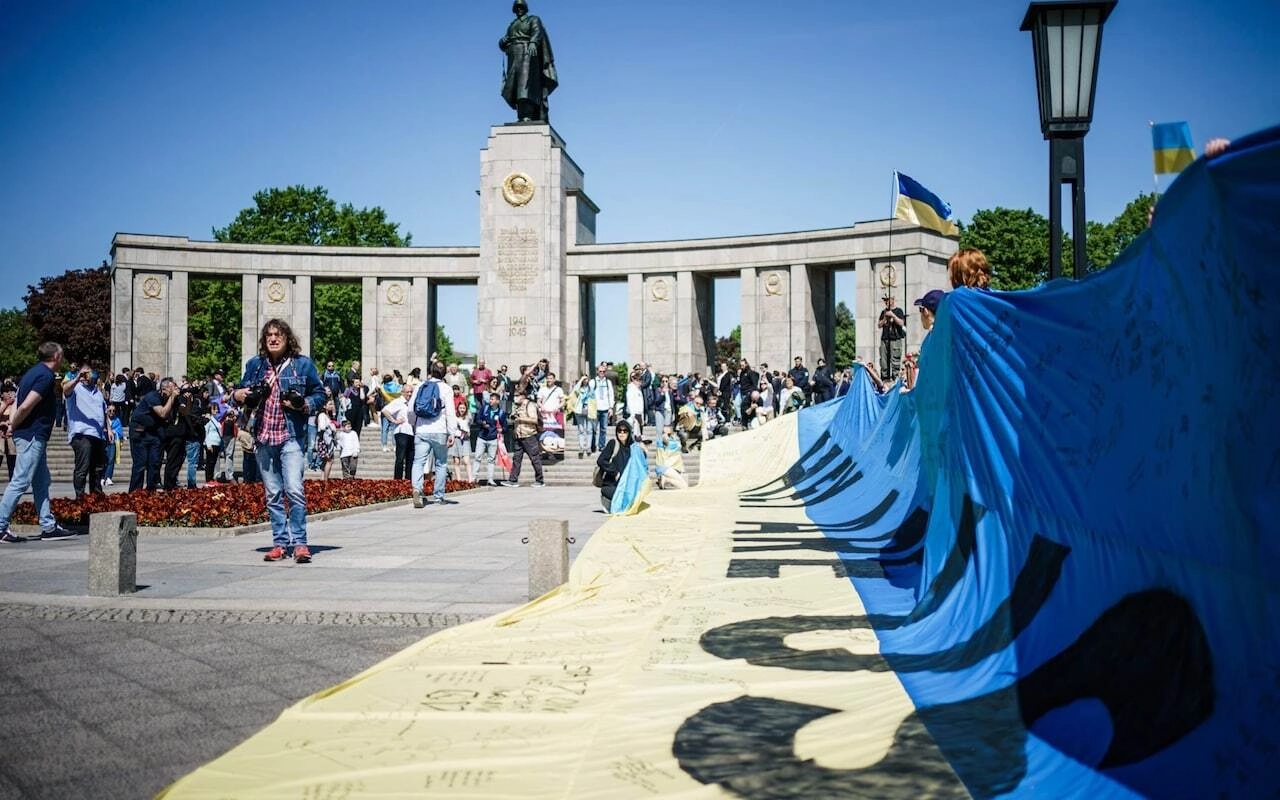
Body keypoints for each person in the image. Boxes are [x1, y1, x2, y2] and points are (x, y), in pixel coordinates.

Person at [232, 318, 326, 564]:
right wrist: (238, 394)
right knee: (273, 493)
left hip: (290, 436)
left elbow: (320, 394)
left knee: (294, 489)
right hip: (263, 436)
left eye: (278, 335)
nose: (273, 339)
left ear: (287, 338)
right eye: (269, 335)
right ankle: (280, 543)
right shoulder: (255, 365)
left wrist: (303, 404)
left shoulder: (302, 364)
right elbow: (239, 393)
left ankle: (300, 543)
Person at [0, 342, 76, 543]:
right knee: (21, 480)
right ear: (56, 357)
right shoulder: (45, 376)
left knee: (41, 481)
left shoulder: (32, 373)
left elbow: (18, 401)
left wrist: (13, 424)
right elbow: (25, 406)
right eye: (62, 355)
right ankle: (0, 526)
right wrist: (13, 424)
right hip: (32, 434)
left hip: (32, 434)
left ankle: (48, 526)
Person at [410, 361, 463, 506]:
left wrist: (413, 424)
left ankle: (417, 489)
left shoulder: (420, 386)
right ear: (444, 373)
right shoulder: (446, 388)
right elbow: (450, 412)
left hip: (421, 430)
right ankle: (439, 496)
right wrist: (452, 433)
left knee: (418, 462)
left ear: (430, 371)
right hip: (440, 430)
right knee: (441, 463)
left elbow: (411, 408)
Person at [499, 0, 558, 122]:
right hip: (513, 56)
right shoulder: (512, 25)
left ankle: (526, 114)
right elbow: (504, 41)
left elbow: (537, 31)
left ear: (525, 8)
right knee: (513, 86)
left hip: (528, 54)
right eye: (517, 7)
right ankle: (521, 115)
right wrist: (502, 42)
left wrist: (533, 42)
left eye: (521, 7)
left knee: (525, 85)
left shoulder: (533, 19)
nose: (519, 9)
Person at [62, 363, 110, 500]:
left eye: (89, 372)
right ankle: (80, 497)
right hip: (81, 433)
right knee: (83, 467)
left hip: (98, 434)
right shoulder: (76, 388)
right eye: (85, 372)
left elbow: (103, 412)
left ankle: (96, 496)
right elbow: (65, 390)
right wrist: (78, 378)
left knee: (98, 468)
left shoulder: (98, 392)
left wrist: (108, 429)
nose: (88, 375)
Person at [128, 377, 177, 492]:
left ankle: (151, 490)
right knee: (140, 464)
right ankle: (135, 492)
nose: (174, 392)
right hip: (140, 432)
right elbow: (162, 413)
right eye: (172, 389)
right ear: (164, 389)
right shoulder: (152, 396)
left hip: (155, 433)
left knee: (155, 463)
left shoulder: (168, 400)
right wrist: (172, 397)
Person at [595, 420, 649, 514]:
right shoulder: (613, 444)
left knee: (635, 496)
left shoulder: (633, 447)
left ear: (629, 432)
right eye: (619, 431)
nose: (622, 433)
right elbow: (601, 460)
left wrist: (643, 450)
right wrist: (614, 472)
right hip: (612, 484)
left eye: (625, 431)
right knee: (612, 492)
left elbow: (640, 462)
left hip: (628, 485)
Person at [503, 379, 546, 488]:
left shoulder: (530, 405)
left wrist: (521, 419)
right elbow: (514, 418)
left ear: (523, 396)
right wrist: (513, 418)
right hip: (519, 436)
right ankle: (513, 480)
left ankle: (540, 480)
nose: (515, 398)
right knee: (516, 459)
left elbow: (534, 420)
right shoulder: (518, 406)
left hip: (529, 435)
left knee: (535, 458)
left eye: (517, 396)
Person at [472, 390, 507, 486]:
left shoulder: (501, 413)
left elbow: (505, 427)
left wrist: (501, 430)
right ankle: (474, 477)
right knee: (477, 457)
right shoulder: (485, 408)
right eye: (490, 399)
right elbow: (477, 419)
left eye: (492, 399)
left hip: (493, 438)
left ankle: (490, 479)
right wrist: (482, 423)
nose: (490, 401)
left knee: (491, 459)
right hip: (482, 437)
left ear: (497, 401)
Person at [381, 384, 415, 481]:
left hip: (412, 432)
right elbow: (385, 410)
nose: (409, 394)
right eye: (407, 392)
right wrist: (394, 421)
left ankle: (409, 479)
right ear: (402, 392)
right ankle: (398, 480)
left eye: (411, 392)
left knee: (410, 458)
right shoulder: (398, 402)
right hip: (402, 431)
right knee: (400, 457)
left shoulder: (412, 402)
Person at [877, 293, 907, 380]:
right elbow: (879, 325)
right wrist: (885, 318)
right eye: (885, 300)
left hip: (895, 339)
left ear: (893, 300)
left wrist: (893, 315)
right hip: (885, 339)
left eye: (887, 300)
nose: (886, 302)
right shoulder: (883, 312)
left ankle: (895, 380)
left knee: (895, 362)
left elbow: (901, 323)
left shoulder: (899, 311)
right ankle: (884, 379)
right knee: (884, 362)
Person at [102, 405, 124, 487]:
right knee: (103, 460)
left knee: (111, 460)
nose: (112, 412)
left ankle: (108, 477)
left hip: (113, 441)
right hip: (103, 441)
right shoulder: (103, 420)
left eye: (113, 411)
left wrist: (114, 432)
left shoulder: (117, 420)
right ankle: (102, 477)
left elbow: (120, 432)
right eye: (110, 410)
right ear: (106, 411)